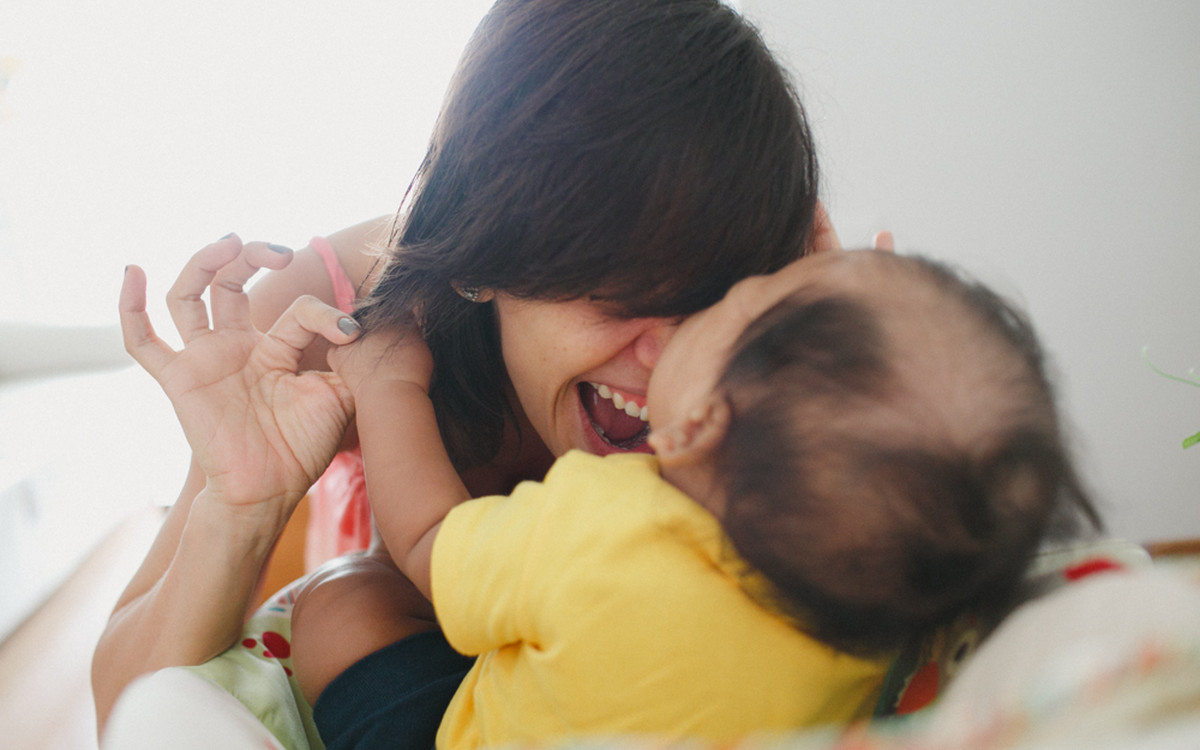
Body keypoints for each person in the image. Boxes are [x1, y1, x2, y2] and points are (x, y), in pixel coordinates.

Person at [94, 0, 849, 730]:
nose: (663, 357)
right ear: (480, 252)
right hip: (404, 651)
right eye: (617, 295)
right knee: (344, 606)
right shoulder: (334, 325)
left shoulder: (775, 327)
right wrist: (244, 505)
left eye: (707, 298)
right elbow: (126, 708)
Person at [286, 248, 1100, 749]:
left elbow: (428, 538)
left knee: (345, 599)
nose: (668, 330)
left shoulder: (610, 524)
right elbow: (893, 428)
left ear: (702, 421)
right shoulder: (883, 600)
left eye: (726, 306)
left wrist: (390, 383)